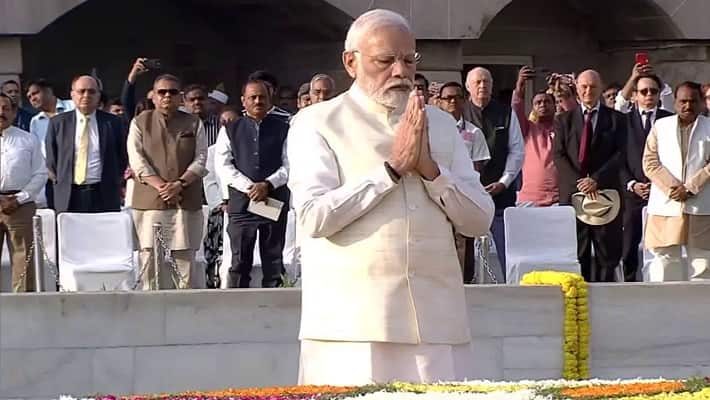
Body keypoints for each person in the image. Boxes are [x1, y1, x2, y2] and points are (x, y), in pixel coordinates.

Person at [288, 9, 494, 385]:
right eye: (385, 60)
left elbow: (479, 219)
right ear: (351, 62)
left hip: (436, 323)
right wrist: (391, 171)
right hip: (352, 327)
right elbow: (313, 217)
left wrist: (431, 172)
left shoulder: (442, 125)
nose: (400, 71)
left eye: (408, 59)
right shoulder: (317, 122)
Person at [127, 74, 208, 289]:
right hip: (149, 202)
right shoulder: (139, 122)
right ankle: (149, 312)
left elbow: (201, 159)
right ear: (153, 96)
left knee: (184, 264)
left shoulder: (193, 122)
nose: (167, 96)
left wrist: (178, 185)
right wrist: (161, 187)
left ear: (180, 97)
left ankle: (185, 311)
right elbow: (137, 161)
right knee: (149, 262)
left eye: (172, 92)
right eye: (162, 92)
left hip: (185, 199)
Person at [553, 69, 626, 282]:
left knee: (607, 255)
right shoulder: (563, 120)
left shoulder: (617, 120)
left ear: (600, 89)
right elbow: (558, 155)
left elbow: (621, 154)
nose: (588, 91)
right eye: (584, 86)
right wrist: (581, 183)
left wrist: (596, 179)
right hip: (573, 195)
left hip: (604, 195)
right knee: (577, 253)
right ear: (577, 89)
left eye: (593, 87)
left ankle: (607, 302)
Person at [216, 79, 290, 288]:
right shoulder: (231, 129)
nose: (258, 101)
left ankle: (275, 309)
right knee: (239, 261)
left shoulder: (284, 127)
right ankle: (237, 312)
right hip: (242, 204)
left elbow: (289, 164)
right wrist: (250, 187)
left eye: (262, 97)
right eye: (253, 97)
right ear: (243, 101)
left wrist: (267, 184)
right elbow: (223, 166)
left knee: (273, 261)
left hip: (272, 201)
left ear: (270, 100)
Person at [643, 82, 710, 282]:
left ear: (701, 103)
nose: (687, 106)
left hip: (701, 205)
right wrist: (672, 188)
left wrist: (690, 189)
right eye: (683, 101)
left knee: (702, 261)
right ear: (675, 102)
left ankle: (701, 310)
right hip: (666, 204)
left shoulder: (709, 128)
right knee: (664, 259)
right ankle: (665, 310)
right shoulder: (660, 126)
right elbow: (649, 162)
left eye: (692, 101)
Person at [463, 67, 524, 276]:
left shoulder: (506, 112)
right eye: (477, 82)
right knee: (466, 244)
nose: (482, 86)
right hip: (466, 192)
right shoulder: (460, 113)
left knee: (506, 244)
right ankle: (466, 284)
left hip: (500, 192)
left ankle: (511, 286)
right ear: (468, 86)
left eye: (486, 82)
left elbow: (517, 150)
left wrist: (504, 182)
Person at [618, 74, 673, 281]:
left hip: (661, 192)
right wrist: (632, 184)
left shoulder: (668, 119)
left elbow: (673, 156)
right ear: (635, 95)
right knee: (629, 245)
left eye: (653, 91)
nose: (649, 95)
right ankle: (629, 285)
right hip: (632, 193)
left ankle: (661, 282)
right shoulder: (623, 121)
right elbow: (618, 157)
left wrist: (660, 184)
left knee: (662, 245)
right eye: (644, 91)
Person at [45, 75, 127, 213]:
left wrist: (113, 180)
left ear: (99, 96)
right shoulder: (58, 123)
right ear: (72, 94)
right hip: (69, 196)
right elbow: (52, 160)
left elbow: (122, 157)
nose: (86, 95)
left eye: (91, 91)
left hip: (103, 194)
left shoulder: (113, 123)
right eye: (81, 91)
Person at [437, 81, 490, 282]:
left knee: (463, 247)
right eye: (447, 98)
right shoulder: (432, 130)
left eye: (457, 97)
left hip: (461, 197)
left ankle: (466, 285)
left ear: (464, 101)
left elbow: (477, 168)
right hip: (436, 195)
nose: (452, 101)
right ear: (440, 102)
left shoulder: (474, 133)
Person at [0, 94, 48, 291]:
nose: (1, 112)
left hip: (20, 204)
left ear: (13, 112)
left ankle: (22, 306)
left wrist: (19, 199)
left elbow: (40, 173)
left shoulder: (28, 139)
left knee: (23, 261)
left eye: (5, 108)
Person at [514, 66, 559, 207]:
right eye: (538, 103)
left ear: (555, 105)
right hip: (529, 199)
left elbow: (575, 114)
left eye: (547, 102)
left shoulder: (563, 128)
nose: (543, 105)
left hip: (558, 199)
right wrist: (520, 84)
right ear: (533, 107)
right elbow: (516, 108)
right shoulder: (527, 128)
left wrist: (561, 89)